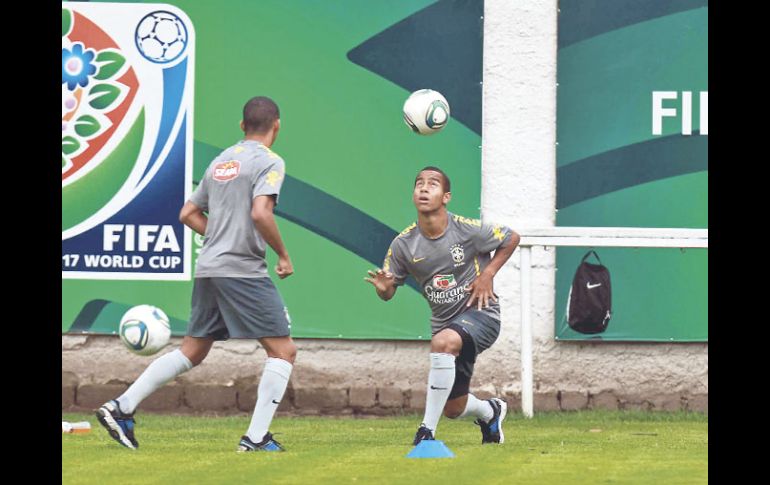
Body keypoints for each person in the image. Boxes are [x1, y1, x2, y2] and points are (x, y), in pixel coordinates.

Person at [96, 96, 296, 452]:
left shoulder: (221, 161)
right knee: (283, 351)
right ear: (277, 126)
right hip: (241, 270)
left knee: (193, 350)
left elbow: (188, 213)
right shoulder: (271, 161)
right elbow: (261, 213)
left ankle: (121, 407)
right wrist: (282, 254)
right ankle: (255, 438)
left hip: (209, 268)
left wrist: (219, 235)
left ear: (241, 126)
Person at [365, 166, 519, 446]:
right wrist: (384, 289)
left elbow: (511, 238)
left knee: (443, 343)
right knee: (453, 408)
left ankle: (426, 432)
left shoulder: (467, 230)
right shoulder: (404, 244)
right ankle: (490, 412)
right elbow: (388, 292)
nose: (424, 188)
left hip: (482, 316)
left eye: (432, 184)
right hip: (446, 326)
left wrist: (487, 275)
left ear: (446, 196)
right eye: (419, 184)